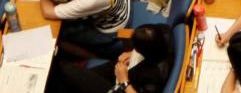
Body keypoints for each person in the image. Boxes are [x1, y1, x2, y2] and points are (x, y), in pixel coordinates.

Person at [44, 23, 172, 93]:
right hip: (127, 70)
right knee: (74, 80)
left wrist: (124, 81)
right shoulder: (162, 32)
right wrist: (131, 53)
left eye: (136, 47)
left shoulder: (155, 75)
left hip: (123, 86)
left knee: (65, 69)